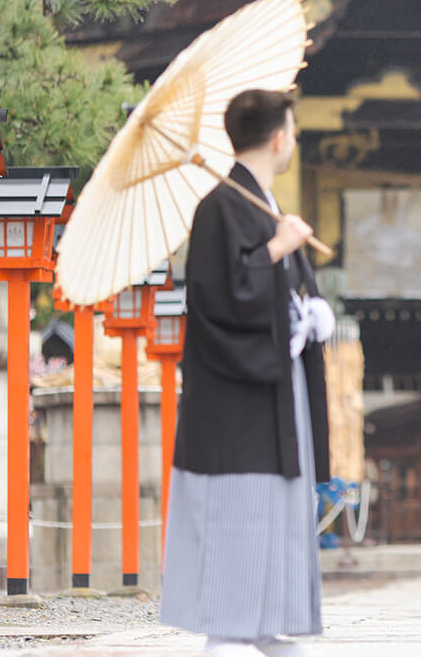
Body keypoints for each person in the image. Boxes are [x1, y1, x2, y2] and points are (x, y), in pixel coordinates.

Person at [159, 89, 334, 657]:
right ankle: (232, 629)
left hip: (273, 397)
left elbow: (271, 291)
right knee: (240, 517)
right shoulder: (221, 206)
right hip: (237, 409)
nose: (295, 139)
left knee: (275, 519)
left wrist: (309, 310)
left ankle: (260, 625)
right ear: (280, 136)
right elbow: (217, 298)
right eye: (294, 129)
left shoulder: (257, 203)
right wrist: (275, 251)